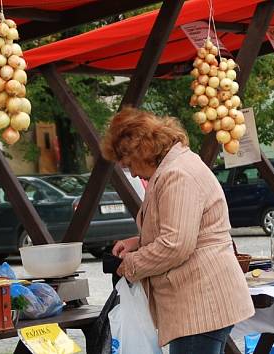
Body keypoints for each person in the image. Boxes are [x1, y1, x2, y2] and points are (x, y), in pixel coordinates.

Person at [101, 107, 255, 353]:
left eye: (129, 163)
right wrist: (138, 242)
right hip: (200, 301)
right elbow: (179, 227)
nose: (132, 172)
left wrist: (131, 265)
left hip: (201, 302)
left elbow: (175, 244)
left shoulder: (177, 174)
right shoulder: (174, 167)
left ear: (142, 152)